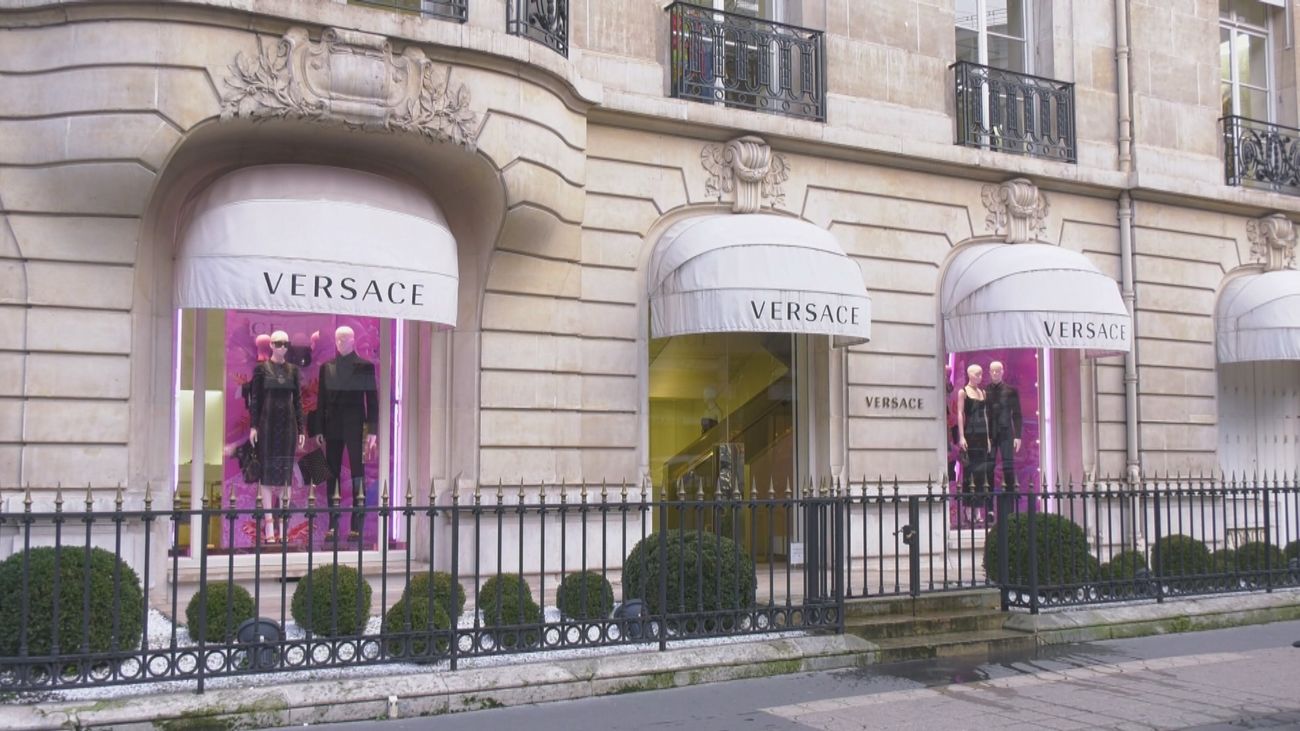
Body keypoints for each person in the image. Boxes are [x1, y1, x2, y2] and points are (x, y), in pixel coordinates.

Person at [313, 325, 378, 542]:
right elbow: (321, 400)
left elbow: (372, 400)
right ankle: (333, 523)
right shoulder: (327, 367)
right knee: (332, 473)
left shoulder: (365, 367)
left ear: (353, 341)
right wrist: (319, 428)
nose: (341, 342)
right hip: (332, 425)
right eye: (338, 339)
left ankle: (356, 524)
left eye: (345, 339)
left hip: (355, 425)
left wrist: (372, 431)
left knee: (357, 472)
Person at [248, 330, 305, 543]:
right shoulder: (261, 370)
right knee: (266, 474)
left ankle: (284, 526)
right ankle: (269, 527)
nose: (283, 348)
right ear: (271, 345)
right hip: (267, 424)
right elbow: (256, 399)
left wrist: (301, 429)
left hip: (288, 424)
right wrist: (253, 426)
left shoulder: (293, 370)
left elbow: (297, 400)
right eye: (279, 344)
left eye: (286, 344)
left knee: (285, 473)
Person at [956, 363, 992, 526]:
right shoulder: (963, 392)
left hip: (982, 435)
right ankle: (968, 508)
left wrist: (989, 437)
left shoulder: (982, 393)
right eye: (977, 374)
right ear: (970, 375)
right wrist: (962, 436)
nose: (980, 377)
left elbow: (985, 415)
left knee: (981, 473)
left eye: (981, 374)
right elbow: (960, 413)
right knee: (969, 471)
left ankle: (978, 508)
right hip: (970, 434)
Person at [986, 361, 1023, 498]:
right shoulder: (985, 390)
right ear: (989, 372)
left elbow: (1017, 414)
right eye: (992, 371)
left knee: (1008, 465)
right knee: (989, 466)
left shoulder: (1011, 391)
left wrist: (1018, 436)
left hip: (1006, 432)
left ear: (1002, 372)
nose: (995, 373)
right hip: (990, 434)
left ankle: (1010, 500)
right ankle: (989, 504)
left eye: (997, 371)